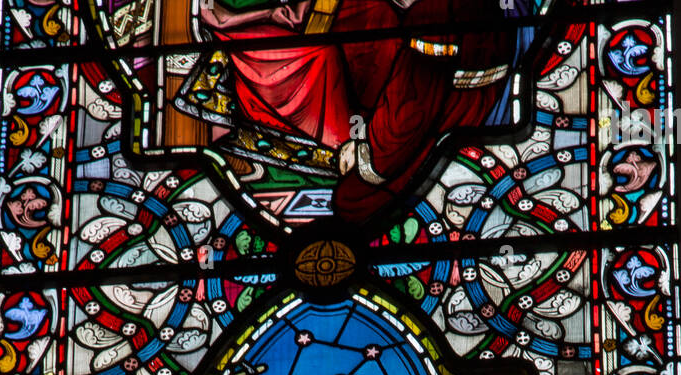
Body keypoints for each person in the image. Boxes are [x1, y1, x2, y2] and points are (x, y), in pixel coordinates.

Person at [192, 0, 536, 219]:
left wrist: (369, 155)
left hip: (446, 116)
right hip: (430, 96)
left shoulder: (434, 12)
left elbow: (414, 106)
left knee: (353, 201)